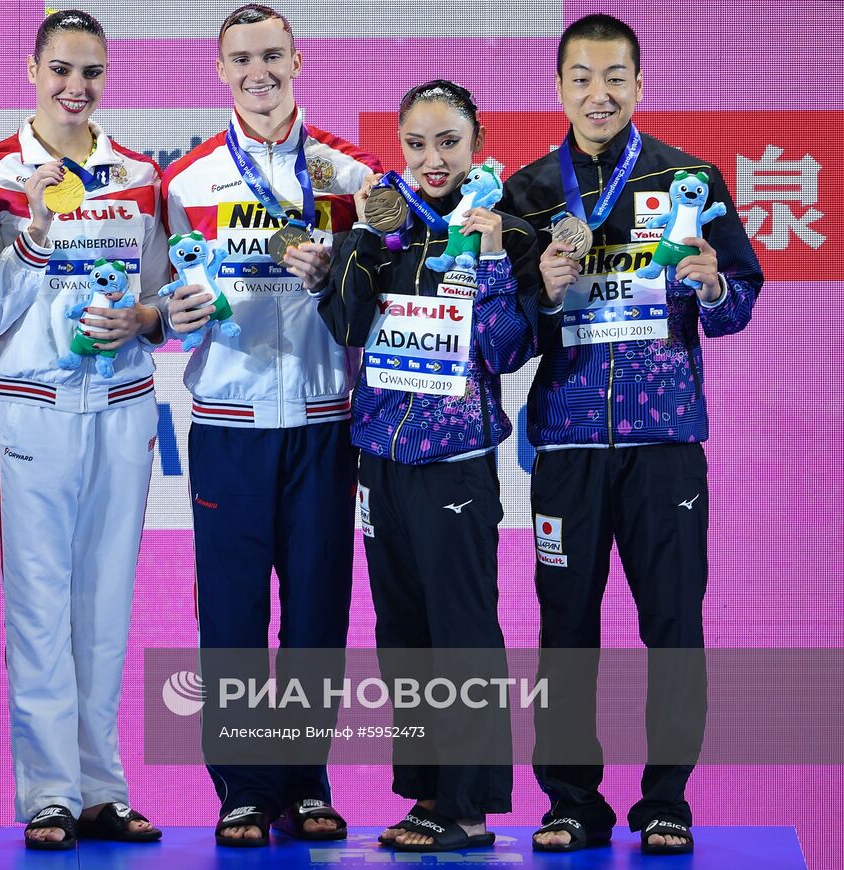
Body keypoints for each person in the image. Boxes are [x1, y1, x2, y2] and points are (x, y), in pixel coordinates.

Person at [500, 13, 762, 856]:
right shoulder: (530, 191)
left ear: (639, 85)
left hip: (665, 443)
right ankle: (572, 801)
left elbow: (741, 300)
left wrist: (716, 286)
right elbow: (503, 333)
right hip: (567, 446)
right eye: (581, 77)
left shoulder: (692, 178)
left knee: (673, 624)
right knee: (565, 627)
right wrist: (541, 290)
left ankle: (667, 802)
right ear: (559, 87)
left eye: (614, 77)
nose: (598, 93)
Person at [161, 3, 379, 847]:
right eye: (241, 59)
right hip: (228, 421)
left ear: (299, 59)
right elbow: (169, 305)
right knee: (232, 613)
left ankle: (307, 777)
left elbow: (380, 296)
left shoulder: (353, 176)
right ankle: (244, 790)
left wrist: (337, 273)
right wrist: (178, 313)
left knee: (319, 612)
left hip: (327, 420)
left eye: (273, 56)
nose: (259, 72)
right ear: (220, 71)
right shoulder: (187, 181)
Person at [0, 9, 166, 851]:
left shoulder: (142, 174)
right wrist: (34, 238)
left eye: (92, 74)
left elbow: (165, 301)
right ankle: (49, 793)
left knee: (106, 606)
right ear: (32, 70)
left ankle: (101, 790)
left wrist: (145, 317)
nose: (76, 89)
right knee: (39, 608)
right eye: (61, 71)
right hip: (31, 409)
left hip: (123, 408)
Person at [319, 80, 538, 853]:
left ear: (476, 141)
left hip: (456, 463)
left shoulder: (503, 228)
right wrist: (365, 242)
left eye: (447, 142)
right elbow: (343, 320)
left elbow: (510, 347)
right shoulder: (385, 219)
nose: (431, 159)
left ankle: (471, 805)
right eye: (416, 143)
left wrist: (486, 259)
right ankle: (427, 795)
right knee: (403, 633)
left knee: (463, 629)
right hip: (380, 456)